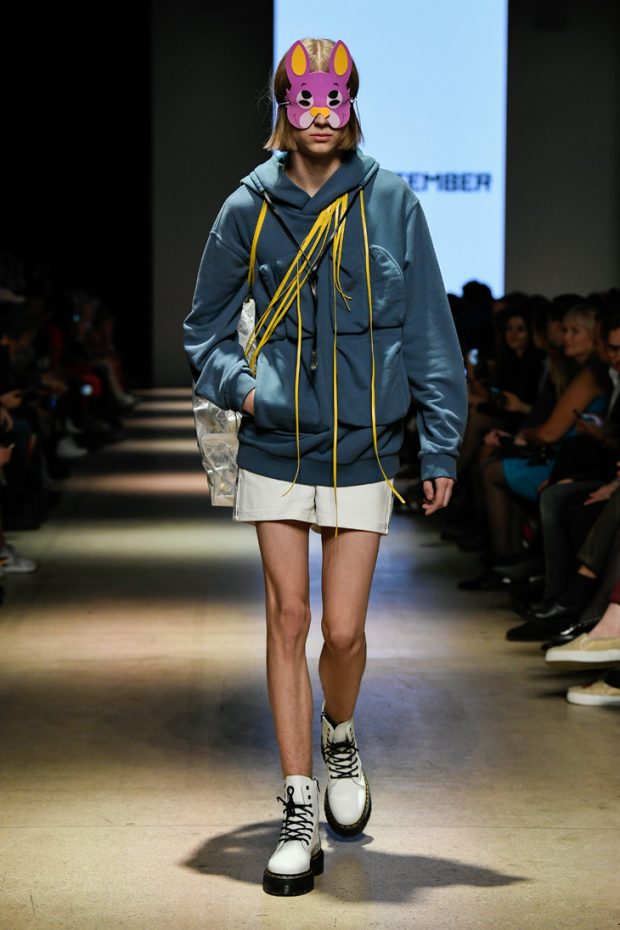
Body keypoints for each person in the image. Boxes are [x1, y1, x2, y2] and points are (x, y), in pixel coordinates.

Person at [183, 36, 467, 897]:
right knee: (288, 616)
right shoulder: (249, 205)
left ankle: (340, 733)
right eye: (303, 98)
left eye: (332, 98)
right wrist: (247, 392)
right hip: (277, 441)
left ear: (350, 103)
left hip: (365, 445)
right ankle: (299, 805)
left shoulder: (392, 201)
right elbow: (203, 328)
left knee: (342, 632)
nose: (317, 114)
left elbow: (429, 329)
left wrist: (440, 441)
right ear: (283, 103)